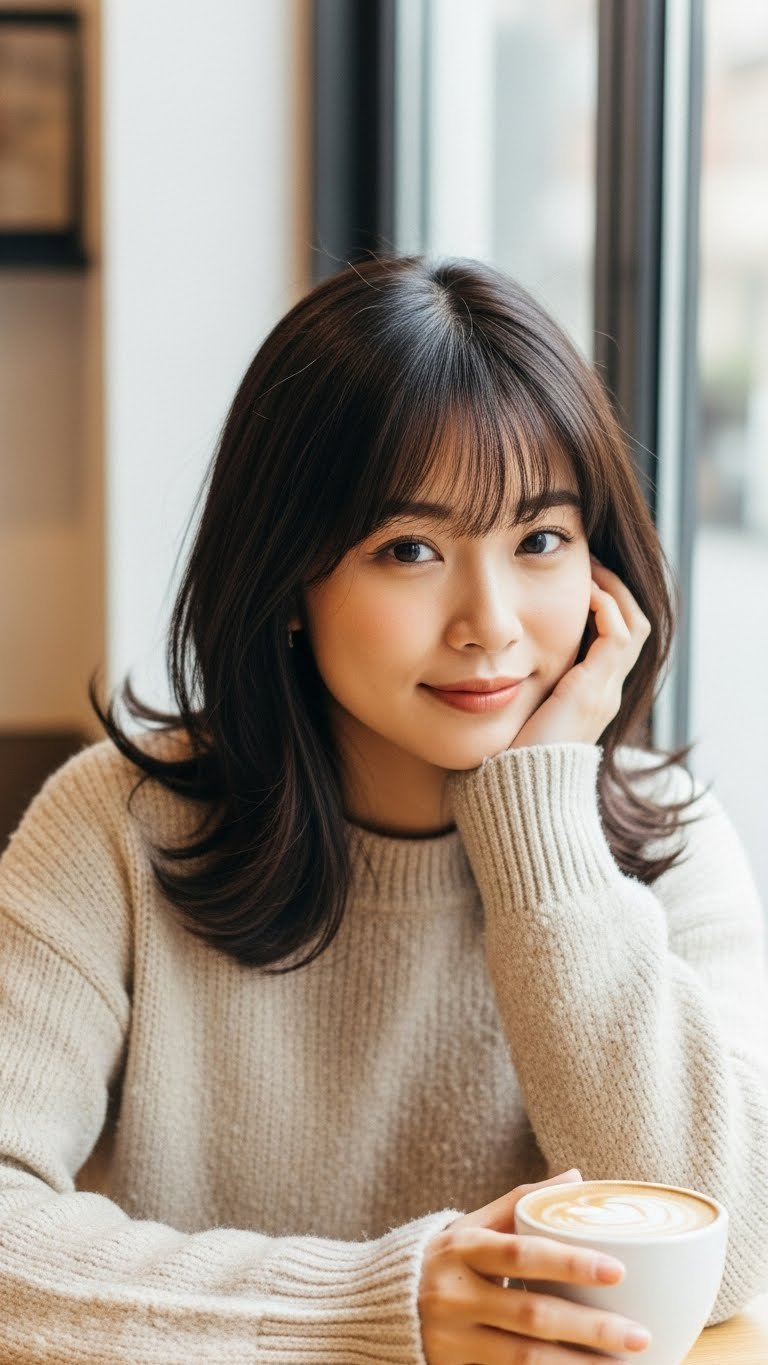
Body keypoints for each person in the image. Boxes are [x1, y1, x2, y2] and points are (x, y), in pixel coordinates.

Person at [0, 256, 766, 1365]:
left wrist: (542, 836)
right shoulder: (115, 830)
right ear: (290, 580)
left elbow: (728, 1256)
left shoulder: (670, 842)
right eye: (408, 550)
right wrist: (376, 1307)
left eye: (541, 539)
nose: (491, 623)